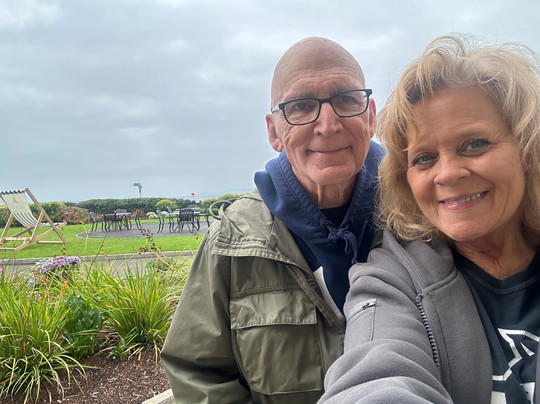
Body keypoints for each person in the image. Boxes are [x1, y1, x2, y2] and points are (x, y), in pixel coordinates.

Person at [160, 36, 384, 403]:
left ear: (370, 116)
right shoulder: (232, 241)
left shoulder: (415, 220)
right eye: (301, 106)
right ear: (274, 131)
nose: (328, 125)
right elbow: (197, 373)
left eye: (346, 99)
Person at [320, 34, 540, 404]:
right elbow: (375, 377)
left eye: (475, 144)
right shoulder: (389, 281)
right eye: (424, 158)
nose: (448, 174)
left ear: (528, 148)